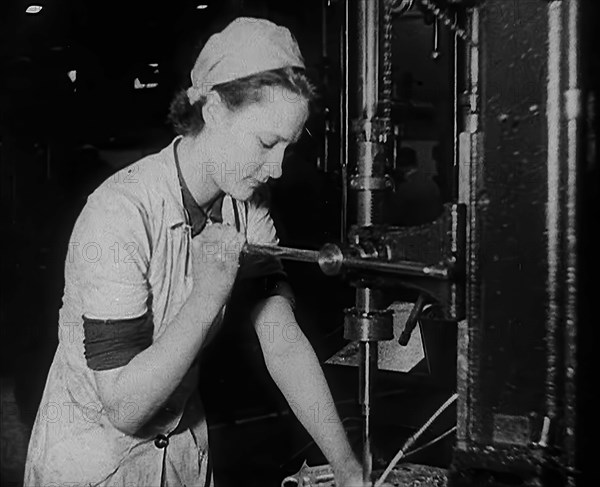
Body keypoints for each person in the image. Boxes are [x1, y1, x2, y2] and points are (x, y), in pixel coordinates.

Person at [24, 17, 365, 487]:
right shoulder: (119, 214)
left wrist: (346, 466)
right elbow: (124, 407)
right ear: (215, 110)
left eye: (288, 147)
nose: (278, 169)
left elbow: (282, 342)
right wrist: (208, 297)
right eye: (267, 143)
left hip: (180, 455)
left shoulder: (248, 206)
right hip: (95, 462)